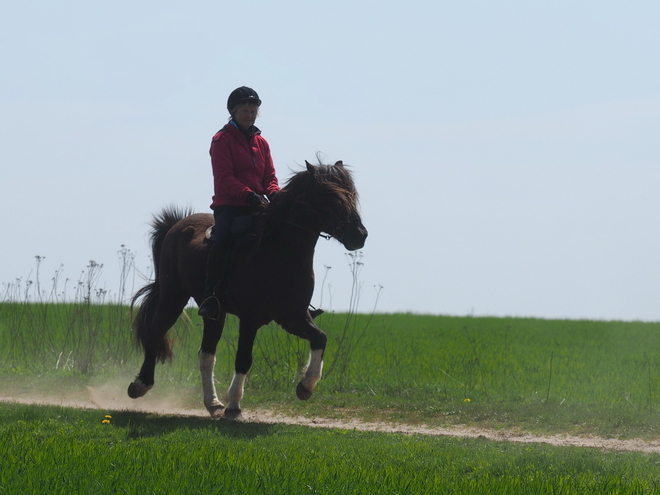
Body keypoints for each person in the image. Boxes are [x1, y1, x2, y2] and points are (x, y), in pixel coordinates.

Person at [198, 86, 280, 320]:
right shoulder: (221, 140)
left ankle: (291, 297)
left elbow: (269, 178)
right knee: (222, 241)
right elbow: (224, 178)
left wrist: (274, 194)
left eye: (253, 111)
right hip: (230, 205)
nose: (249, 115)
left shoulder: (262, 143)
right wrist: (248, 195)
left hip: (259, 205)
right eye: (245, 110)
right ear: (233, 111)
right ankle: (210, 296)